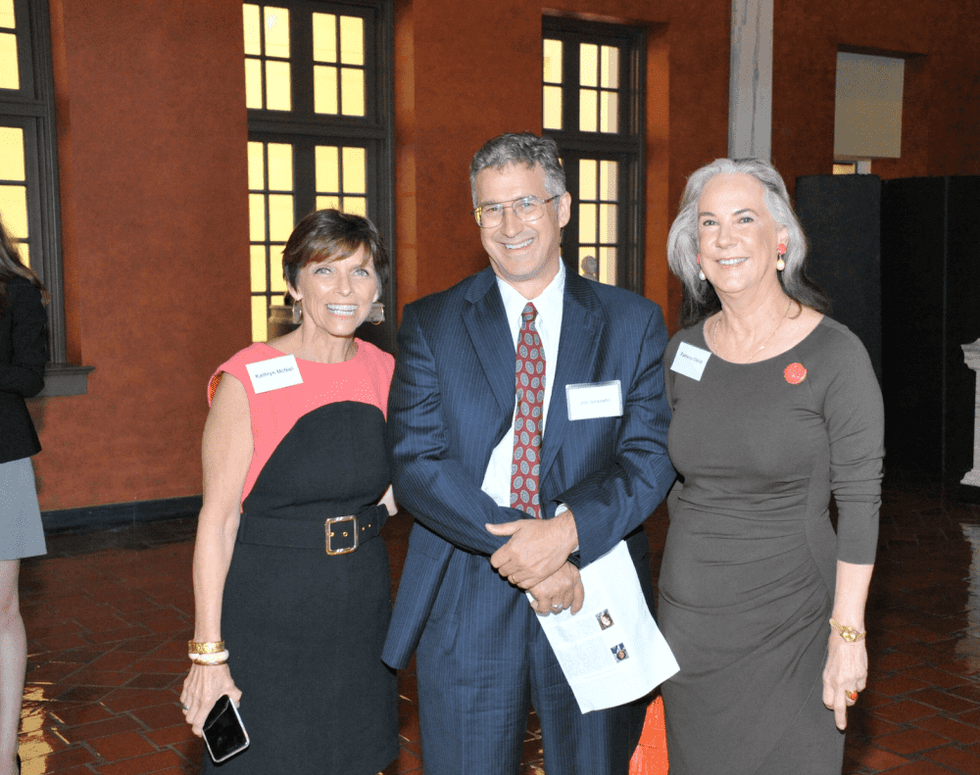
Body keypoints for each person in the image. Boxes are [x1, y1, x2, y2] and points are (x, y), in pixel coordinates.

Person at [381, 132, 675, 775]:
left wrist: (565, 534)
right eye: (491, 208)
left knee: (596, 764)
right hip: (468, 576)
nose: (509, 225)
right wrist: (533, 556)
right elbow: (417, 461)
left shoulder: (632, 322)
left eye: (527, 204)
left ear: (563, 208)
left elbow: (648, 458)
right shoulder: (432, 322)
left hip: (592, 573)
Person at [658, 158, 883, 774]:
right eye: (708, 224)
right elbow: (670, 476)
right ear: (694, 249)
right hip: (689, 623)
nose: (725, 238)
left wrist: (848, 636)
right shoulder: (682, 352)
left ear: (780, 240)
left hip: (792, 624)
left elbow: (861, 503)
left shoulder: (836, 353)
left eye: (744, 218)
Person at [179, 209, 398, 774]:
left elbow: (398, 487)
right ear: (295, 284)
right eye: (326, 272)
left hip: (360, 604)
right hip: (271, 609)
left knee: (352, 756)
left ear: (378, 286)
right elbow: (218, 521)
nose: (345, 289)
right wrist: (209, 653)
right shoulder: (247, 376)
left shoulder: (385, 371)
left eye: (362, 271)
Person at [0, 215, 48, 775]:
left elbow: (30, 375)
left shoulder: (17, 291)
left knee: (3, 609)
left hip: (2, 457)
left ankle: (3, 752)